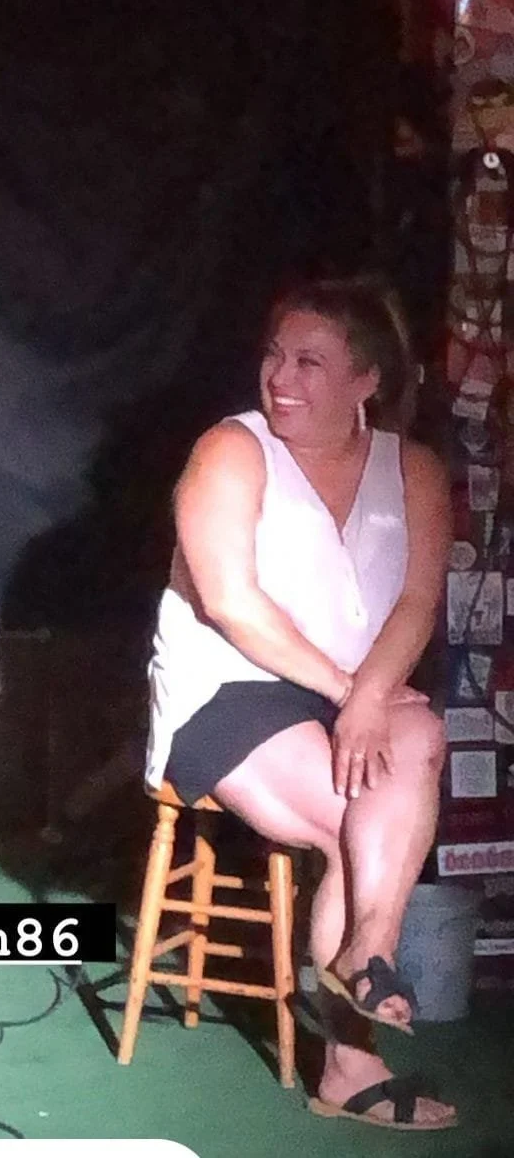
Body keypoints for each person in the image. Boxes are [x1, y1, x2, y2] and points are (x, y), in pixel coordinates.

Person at [147, 276, 456, 1131]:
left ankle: (367, 953)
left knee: (420, 733)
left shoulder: (415, 470)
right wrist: (352, 695)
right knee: (361, 818)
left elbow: (416, 603)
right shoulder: (231, 450)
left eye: (309, 362)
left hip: (355, 693)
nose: (281, 376)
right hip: (230, 691)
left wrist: (371, 696)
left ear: (368, 380)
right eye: (275, 355)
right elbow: (230, 604)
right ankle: (353, 1062)